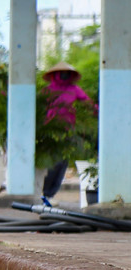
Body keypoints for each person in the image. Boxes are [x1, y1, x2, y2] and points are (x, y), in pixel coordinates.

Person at [40, 61, 94, 202]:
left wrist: (100, 111)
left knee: (62, 162)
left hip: (68, 130)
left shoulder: (74, 89)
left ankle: (50, 194)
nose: (64, 76)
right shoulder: (47, 90)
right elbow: (38, 108)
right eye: (61, 73)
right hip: (50, 130)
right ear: (54, 75)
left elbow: (87, 103)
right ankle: (44, 192)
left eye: (67, 73)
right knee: (51, 162)